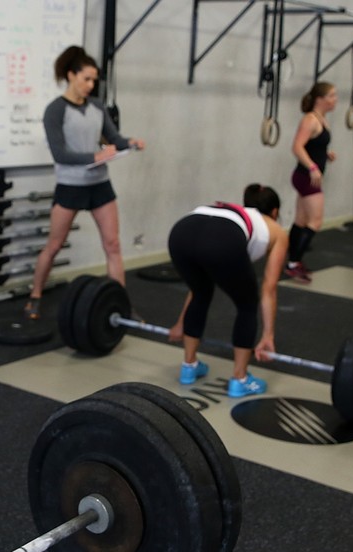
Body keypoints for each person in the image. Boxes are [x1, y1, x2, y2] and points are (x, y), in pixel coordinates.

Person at [24, 46, 146, 320]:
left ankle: (121, 304)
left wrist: (131, 143)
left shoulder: (97, 106)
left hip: (100, 185)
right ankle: (35, 296)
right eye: (86, 79)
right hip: (70, 186)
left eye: (94, 80)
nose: (91, 85)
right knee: (54, 245)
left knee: (113, 245)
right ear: (71, 75)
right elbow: (60, 154)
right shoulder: (55, 110)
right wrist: (95, 154)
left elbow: (114, 137)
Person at [167, 184, 289, 398]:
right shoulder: (277, 231)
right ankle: (240, 380)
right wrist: (268, 335)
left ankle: (189, 366)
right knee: (247, 304)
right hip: (220, 239)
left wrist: (181, 322)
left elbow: (196, 287)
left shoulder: (234, 213)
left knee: (201, 290)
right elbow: (268, 289)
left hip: (181, 231)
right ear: (275, 212)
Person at [283, 82, 338, 285]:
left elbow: (312, 146)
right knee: (315, 222)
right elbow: (297, 147)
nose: (335, 100)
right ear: (320, 99)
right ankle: (294, 263)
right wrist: (313, 167)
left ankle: (291, 262)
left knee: (301, 221)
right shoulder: (310, 120)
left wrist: (325, 155)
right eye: (331, 96)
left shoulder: (322, 120)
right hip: (306, 177)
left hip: (306, 176)